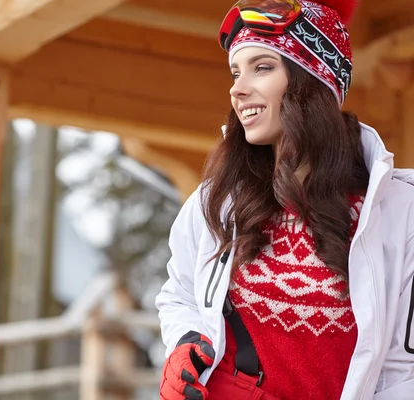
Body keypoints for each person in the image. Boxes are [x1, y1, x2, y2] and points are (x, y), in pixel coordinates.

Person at [155, 0, 414, 399]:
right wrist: (184, 344)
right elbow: (180, 293)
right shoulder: (219, 197)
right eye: (235, 72)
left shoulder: (399, 211)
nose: (237, 89)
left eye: (262, 67)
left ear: (313, 82)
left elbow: (404, 372)